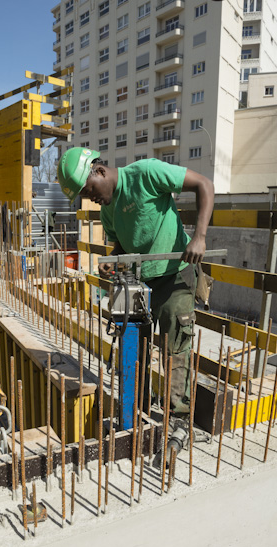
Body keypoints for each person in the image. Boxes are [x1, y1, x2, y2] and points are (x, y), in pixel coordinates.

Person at [57, 147, 214, 436]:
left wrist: (199, 237)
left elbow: (204, 184)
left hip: (174, 274)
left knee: (174, 345)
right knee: (134, 345)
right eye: (85, 195)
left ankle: (178, 418)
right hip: (140, 280)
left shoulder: (147, 173)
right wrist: (114, 261)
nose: (91, 198)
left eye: (89, 189)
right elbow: (123, 246)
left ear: (100, 172)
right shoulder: (107, 212)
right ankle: (136, 412)